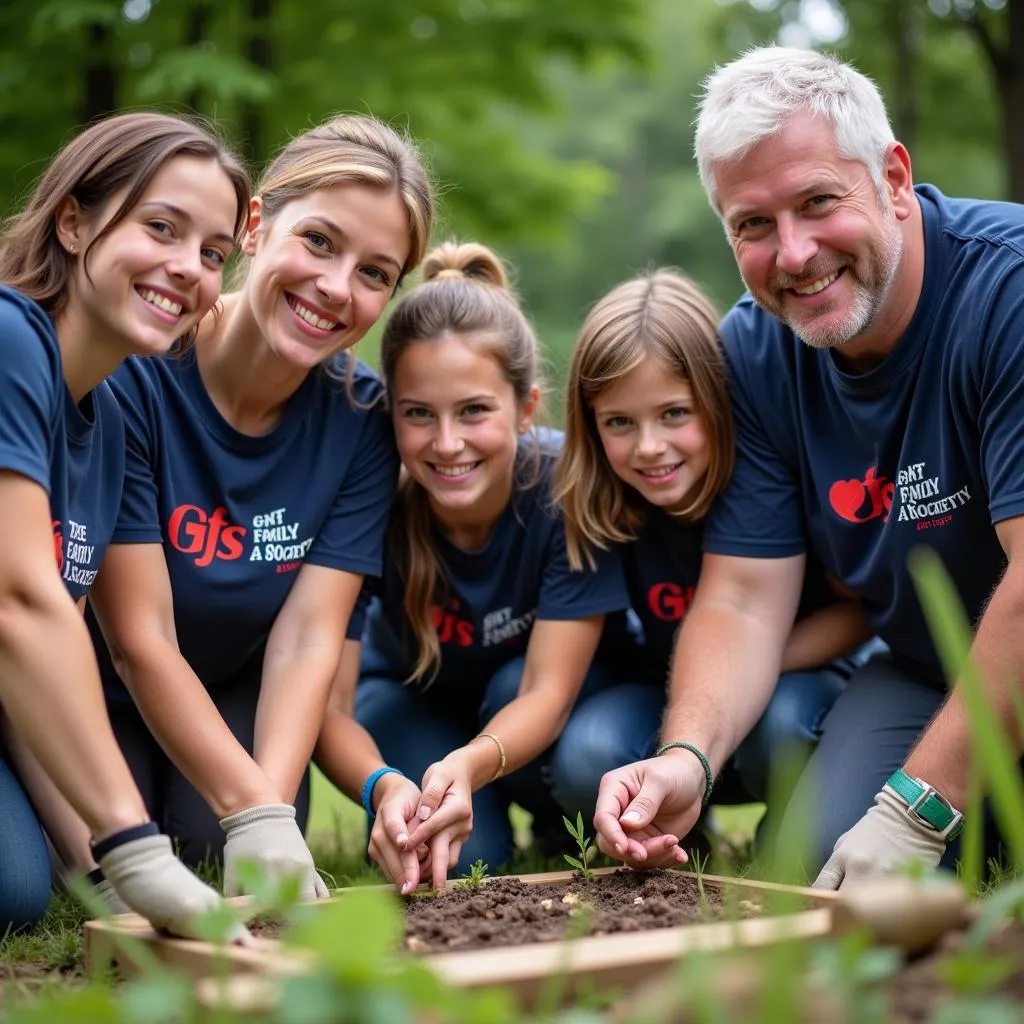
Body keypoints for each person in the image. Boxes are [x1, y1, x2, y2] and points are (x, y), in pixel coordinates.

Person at [593, 45, 1024, 889]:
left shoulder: (1005, 289)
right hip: (926, 669)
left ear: (894, 179)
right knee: (811, 871)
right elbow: (746, 597)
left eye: (818, 202)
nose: (793, 255)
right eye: (753, 224)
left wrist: (916, 806)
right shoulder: (752, 352)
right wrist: (688, 756)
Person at [28, 114, 433, 903]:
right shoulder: (137, 365)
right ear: (255, 225)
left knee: (221, 845)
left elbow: (309, 636)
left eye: (375, 273)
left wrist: (266, 812)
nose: (336, 287)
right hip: (93, 684)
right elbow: (136, 637)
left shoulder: (361, 421)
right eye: (319, 241)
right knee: (59, 871)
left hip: (230, 694)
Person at [0, 111, 251, 935]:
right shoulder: (9, 339)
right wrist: (134, 842)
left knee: (24, 889)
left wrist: (100, 869)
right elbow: (20, 607)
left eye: (214, 253)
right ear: (73, 221)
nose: (188, 268)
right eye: (161, 228)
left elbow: (48, 663)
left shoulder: (111, 414)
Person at [314, 242, 631, 892]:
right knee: (467, 856)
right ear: (391, 415)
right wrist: (385, 788)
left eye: (475, 411)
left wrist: (467, 764)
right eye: (419, 415)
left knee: (515, 690)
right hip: (409, 698)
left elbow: (547, 691)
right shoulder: (369, 501)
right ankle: (466, 807)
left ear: (524, 406)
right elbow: (329, 705)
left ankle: (556, 818)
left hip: (524, 700)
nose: (448, 443)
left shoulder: (566, 489)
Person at [551, 268, 876, 837]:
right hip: (671, 699)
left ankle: (791, 833)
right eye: (620, 422)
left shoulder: (771, 489)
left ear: (718, 401)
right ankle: (677, 837)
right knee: (589, 752)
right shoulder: (602, 507)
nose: (650, 447)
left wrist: (743, 666)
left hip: (802, 682)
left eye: (675, 413)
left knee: (784, 726)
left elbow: (861, 609)